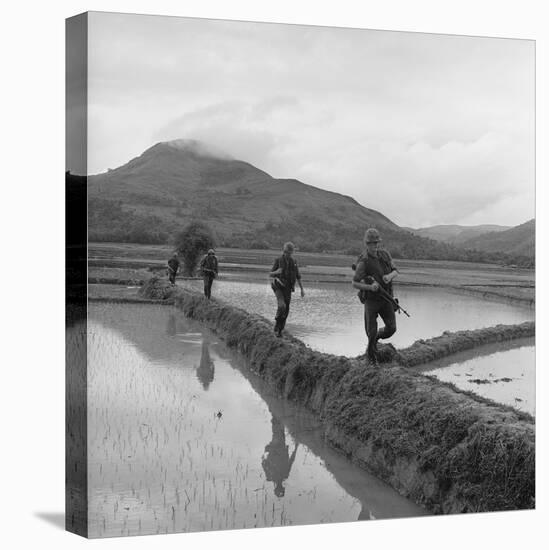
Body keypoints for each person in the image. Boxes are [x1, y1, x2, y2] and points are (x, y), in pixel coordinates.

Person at [352, 228, 398, 364]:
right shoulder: (363, 261)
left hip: (386, 298)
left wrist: (388, 277)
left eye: (377, 242)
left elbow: (396, 271)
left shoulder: (385, 255)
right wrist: (370, 287)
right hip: (371, 301)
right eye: (372, 243)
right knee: (370, 332)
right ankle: (371, 359)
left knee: (391, 328)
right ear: (367, 244)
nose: (375, 245)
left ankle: (376, 338)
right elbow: (354, 283)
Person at [269, 242, 305, 337]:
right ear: (284, 251)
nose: (287, 254)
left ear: (291, 253)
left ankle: (280, 330)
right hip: (278, 287)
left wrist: (302, 289)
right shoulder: (278, 260)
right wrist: (276, 271)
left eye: (289, 253)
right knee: (282, 306)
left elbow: (298, 276)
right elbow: (270, 274)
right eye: (286, 252)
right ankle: (277, 322)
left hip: (288, 288)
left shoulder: (294, 262)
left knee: (286, 309)